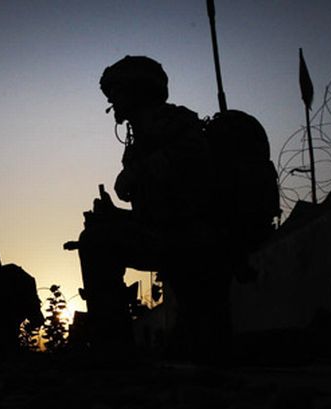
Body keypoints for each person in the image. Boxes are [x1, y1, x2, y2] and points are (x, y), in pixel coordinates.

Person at [69, 56, 233, 363]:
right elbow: (156, 211)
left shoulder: (174, 122)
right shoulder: (142, 136)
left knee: (213, 349)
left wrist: (138, 172)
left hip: (196, 241)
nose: (111, 102)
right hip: (174, 237)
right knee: (198, 349)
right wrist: (115, 215)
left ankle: (113, 353)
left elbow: (193, 165)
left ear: (137, 90)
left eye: (116, 93)